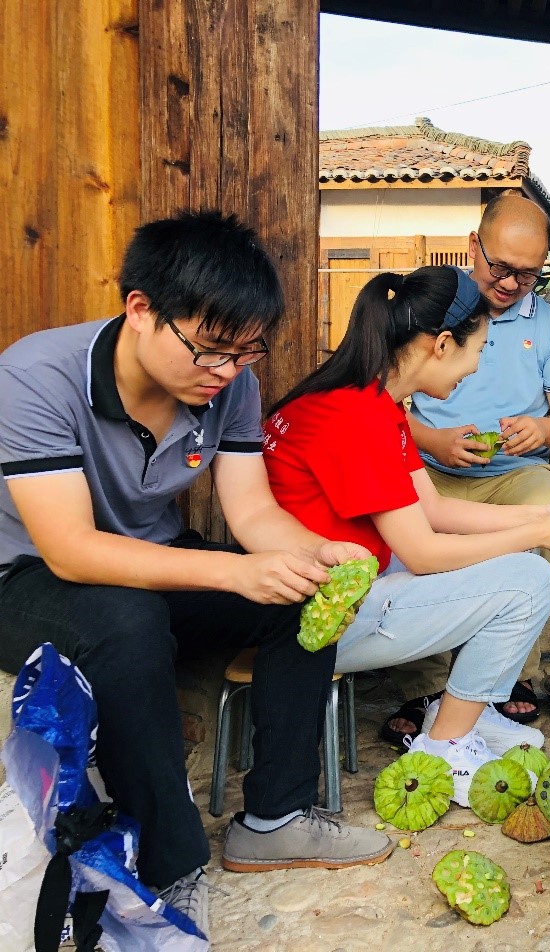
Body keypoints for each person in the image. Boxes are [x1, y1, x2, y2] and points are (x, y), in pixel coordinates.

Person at [0, 212, 393, 937]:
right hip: (25, 577)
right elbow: (70, 550)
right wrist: (232, 575)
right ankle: (170, 864)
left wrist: (314, 552)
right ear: (140, 309)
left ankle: (274, 818)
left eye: (245, 353)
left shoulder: (230, 384)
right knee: (128, 620)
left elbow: (253, 511)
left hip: (149, 557)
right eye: (210, 350)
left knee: (295, 596)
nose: (226, 372)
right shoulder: (36, 377)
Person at [264, 266, 550, 803]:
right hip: (317, 618)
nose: (477, 365)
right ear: (442, 344)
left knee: (515, 561)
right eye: (478, 349)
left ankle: (465, 712)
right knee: (529, 580)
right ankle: (445, 744)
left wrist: (541, 517)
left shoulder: (374, 401)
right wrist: (534, 533)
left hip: (341, 589)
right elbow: (422, 552)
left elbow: (434, 509)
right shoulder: (358, 415)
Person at [384, 192, 550, 739]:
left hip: (511, 475)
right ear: (473, 245)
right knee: (406, 530)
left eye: (528, 274)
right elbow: (382, 405)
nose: (511, 283)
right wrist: (434, 440)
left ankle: (508, 670)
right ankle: (425, 683)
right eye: (500, 267)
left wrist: (542, 430)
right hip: (427, 466)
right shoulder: (436, 306)